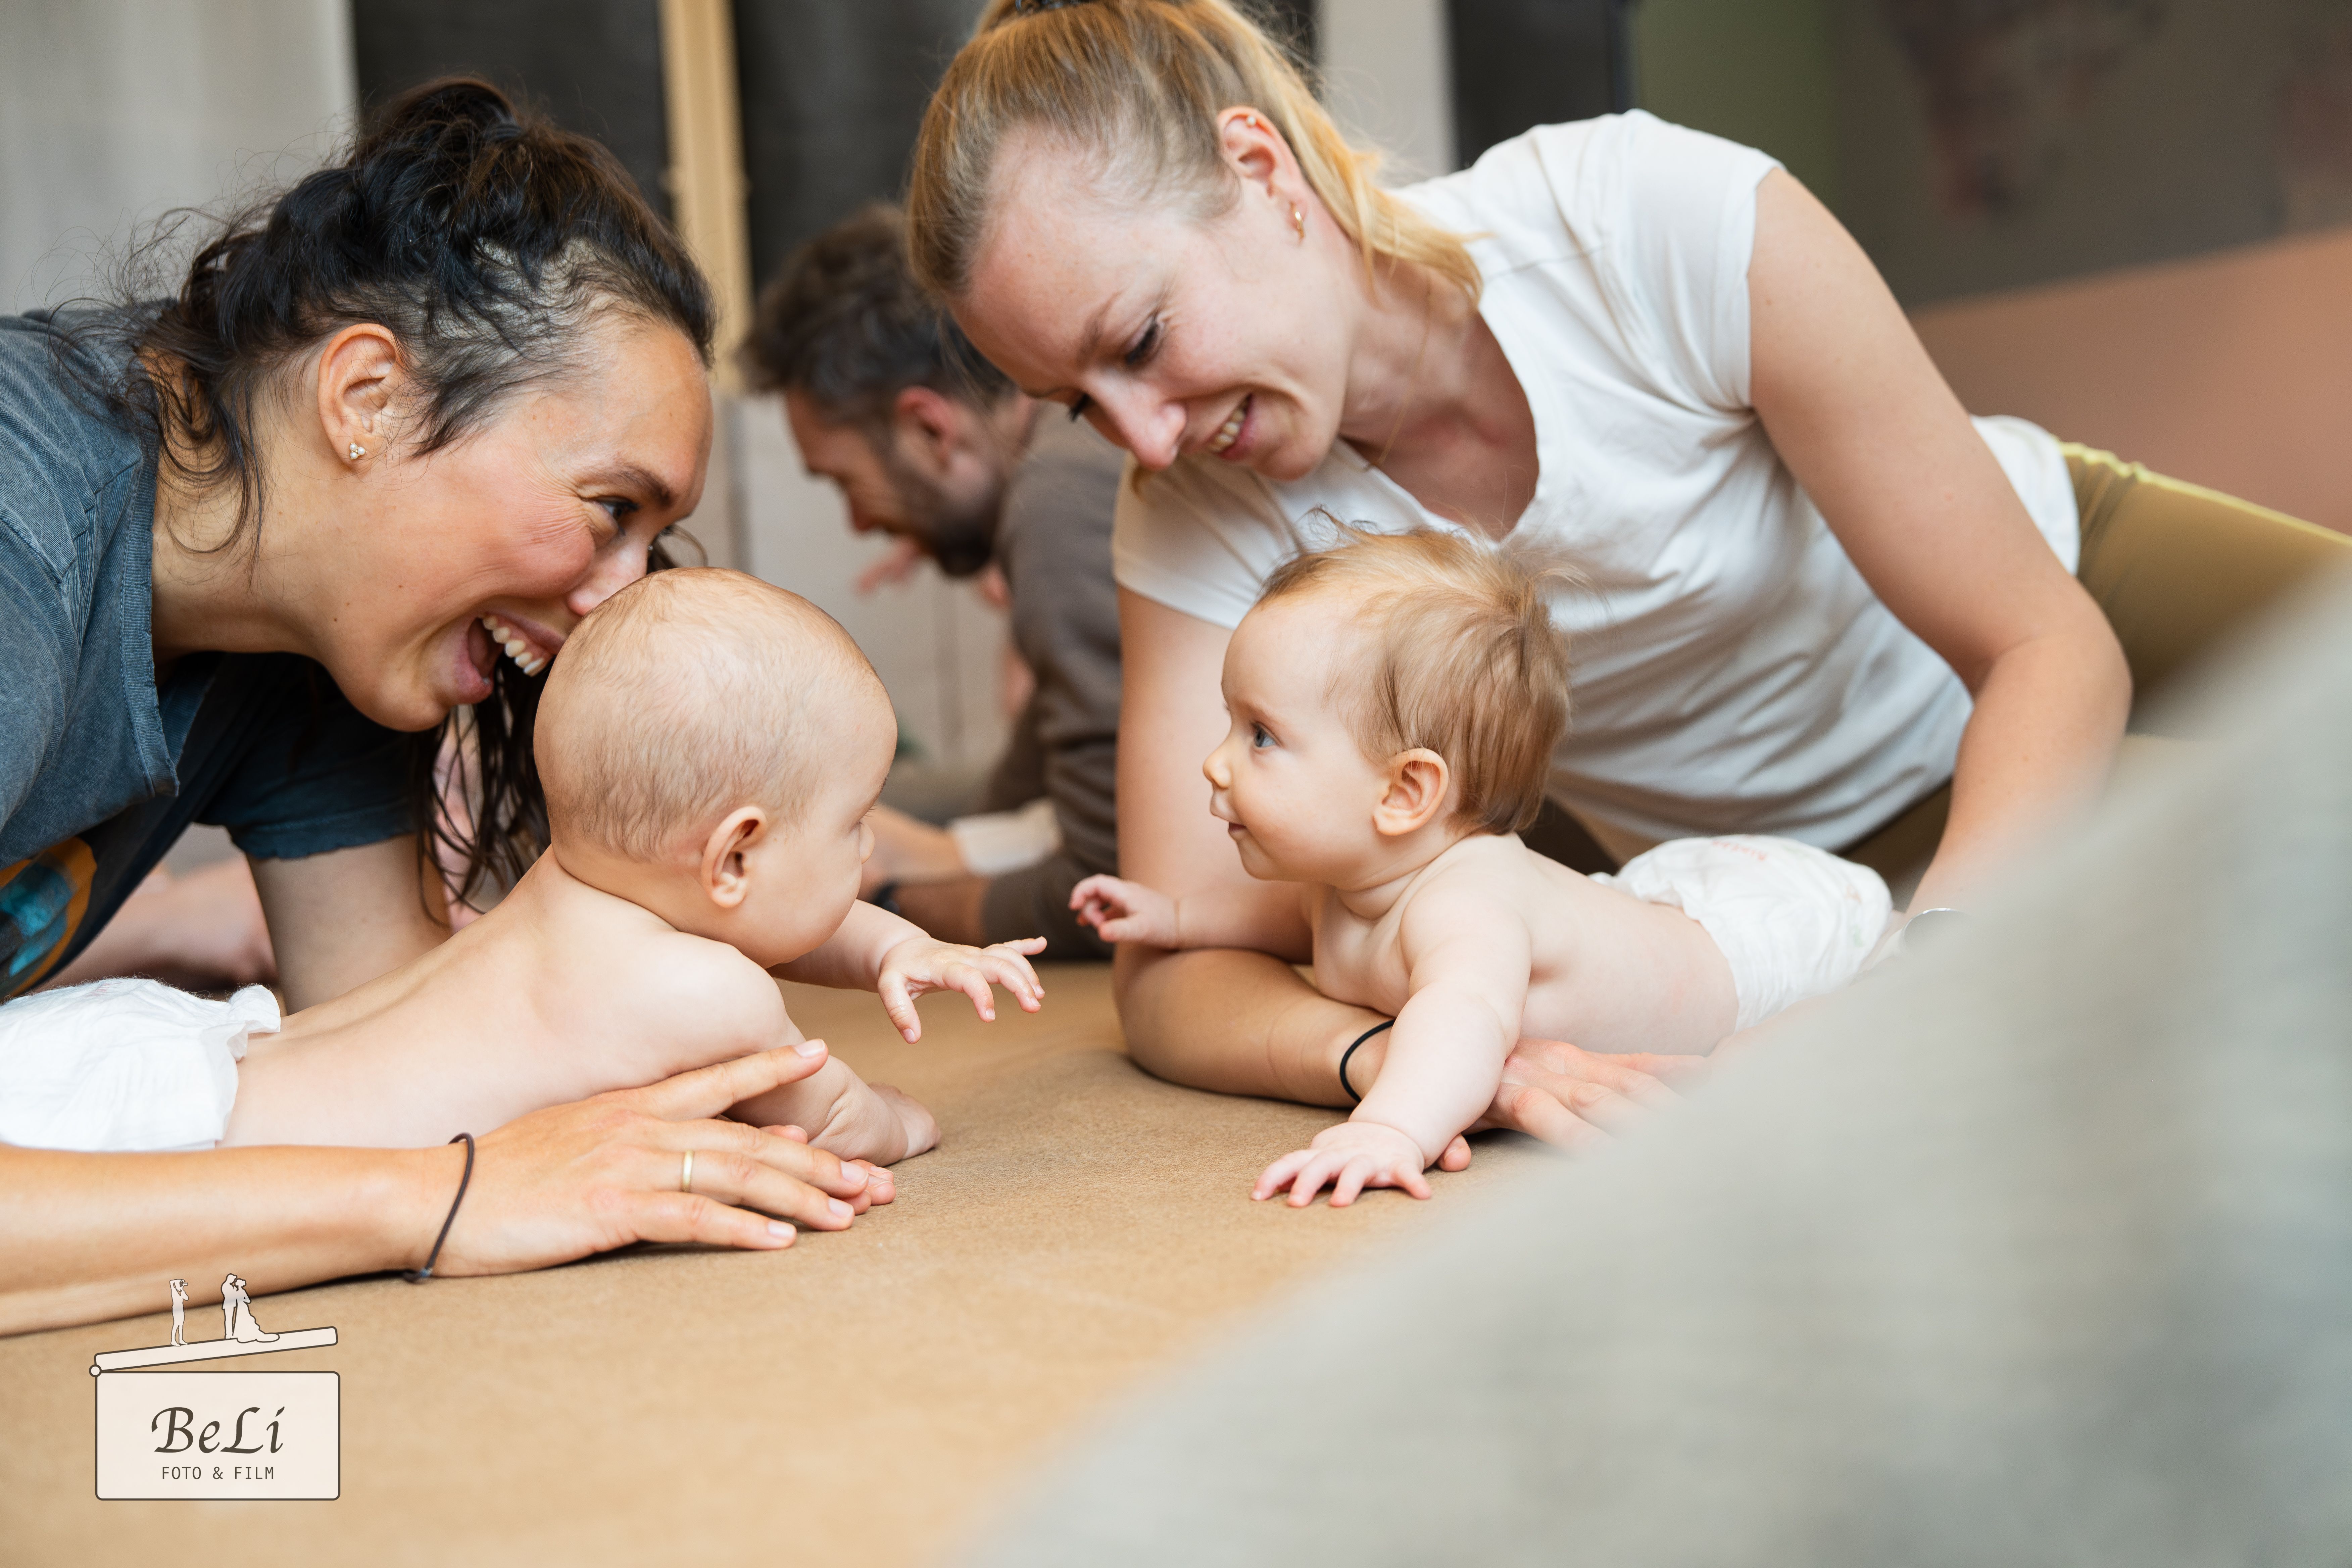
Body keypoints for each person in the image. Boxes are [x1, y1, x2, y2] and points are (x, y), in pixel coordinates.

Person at [904, 0, 2352, 1149]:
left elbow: (2045, 649)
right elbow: (1175, 970)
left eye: (1142, 340)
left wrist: (1935, 981)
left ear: (1262, 171)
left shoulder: (1645, 220)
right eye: (1079, 403)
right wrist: (1403, 1056)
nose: (1145, 438)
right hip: (1780, 874)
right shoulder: (1191, 510)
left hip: (2037, 603)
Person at [0, 80, 884, 1337]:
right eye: (607, 509)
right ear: (368, 400)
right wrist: (438, 1202)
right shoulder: (19, 527)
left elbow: (413, 1064)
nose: (612, 602)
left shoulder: (329, 646)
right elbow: (446, 1163)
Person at [1071, 528, 1888, 1206]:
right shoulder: (1354, 885)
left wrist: (1392, 1128)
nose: (1215, 765)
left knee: (1845, 1039)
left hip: (1763, 942)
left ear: (1405, 790)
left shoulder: (1465, 903)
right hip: (1650, 903)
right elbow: (1292, 919)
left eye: (1260, 735)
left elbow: (1463, 1019)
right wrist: (1179, 919)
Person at [226, 571, 1039, 1158]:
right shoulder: (714, 997)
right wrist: (901, 1121)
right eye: (854, 822)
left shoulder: (570, 891)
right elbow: (825, 1122)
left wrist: (900, 948)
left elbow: (770, 920)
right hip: (232, 1150)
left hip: (223, 1065)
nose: (866, 845)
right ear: (734, 853)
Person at [740, 204, 1126, 959]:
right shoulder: (1061, 455)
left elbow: (1103, 884)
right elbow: (1036, 777)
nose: (857, 521)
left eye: (845, 480)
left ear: (928, 427)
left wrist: (891, 905)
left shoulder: (1055, 503)